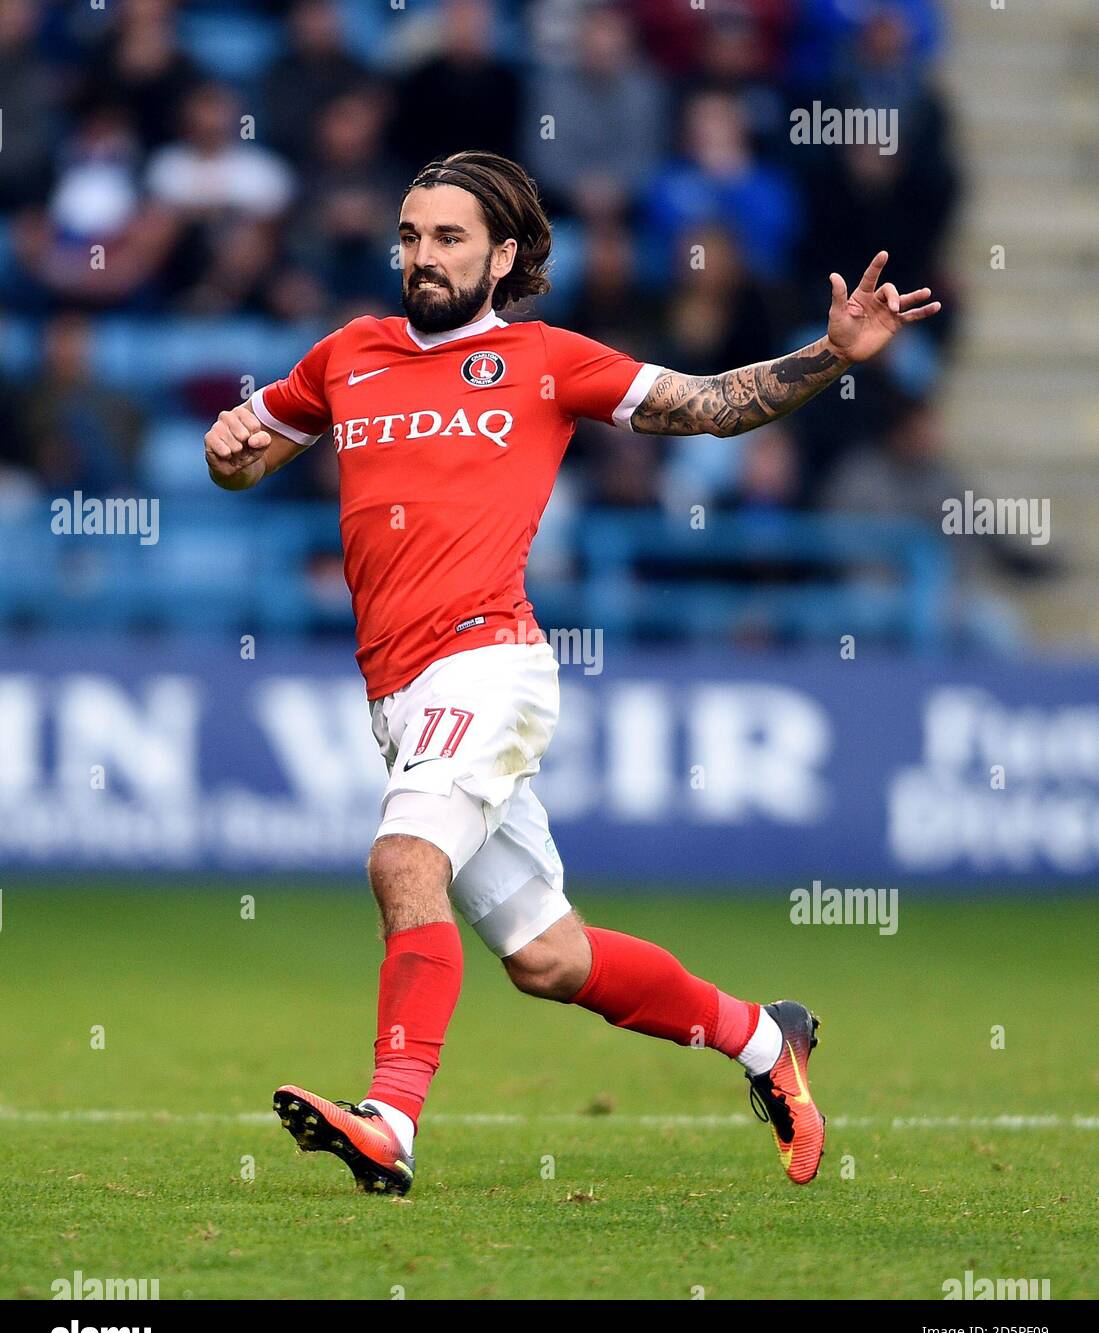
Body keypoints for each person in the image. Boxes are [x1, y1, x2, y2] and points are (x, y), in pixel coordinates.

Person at [203, 150, 940, 1194]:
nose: (423, 255)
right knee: (548, 958)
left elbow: (710, 404)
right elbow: (242, 460)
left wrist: (830, 351)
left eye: (449, 237)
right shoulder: (346, 356)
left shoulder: (545, 359)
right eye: (410, 235)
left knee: (402, 859)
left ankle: (391, 1121)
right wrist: (229, 443)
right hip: (399, 694)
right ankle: (767, 1042)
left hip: (487, 664)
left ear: (503, 253)